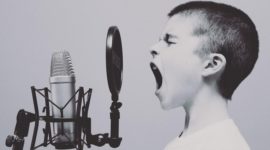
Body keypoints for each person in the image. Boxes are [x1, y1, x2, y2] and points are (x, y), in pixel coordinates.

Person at [149, 1, 259, 150]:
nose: (153, 48)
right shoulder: (186, 142)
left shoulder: (225, 146)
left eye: (170, 41)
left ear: (212, 64)